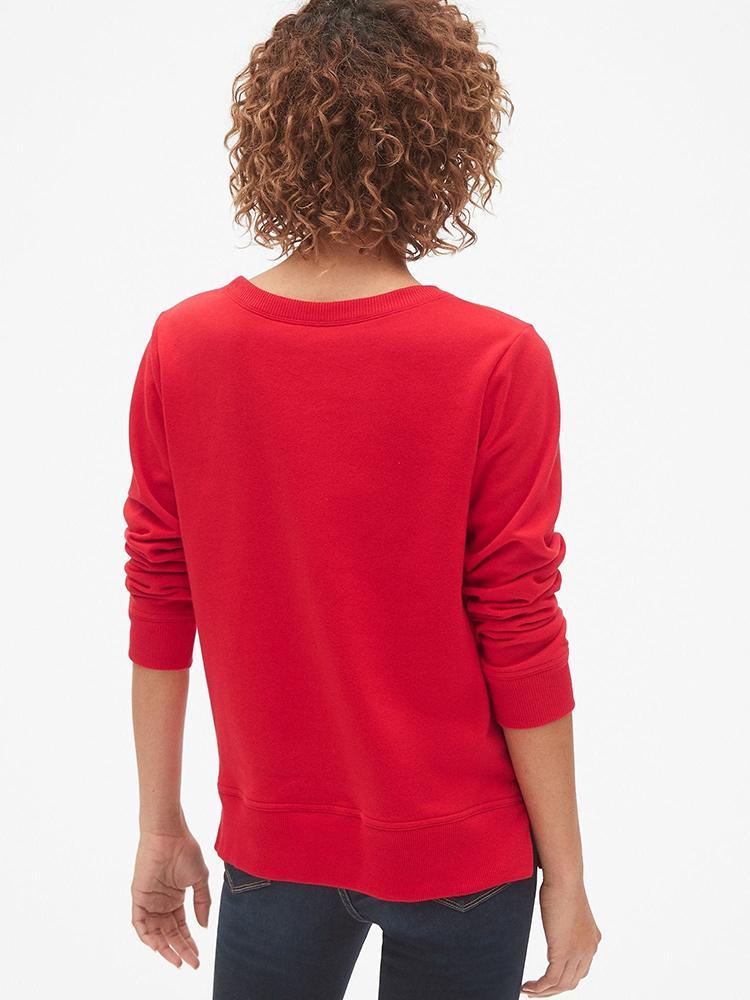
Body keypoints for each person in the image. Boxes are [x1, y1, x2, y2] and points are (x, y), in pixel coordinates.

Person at [123, 1, 601, 997]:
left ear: (272, 137)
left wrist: (159, 823)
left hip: (272, 842)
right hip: (465, 852)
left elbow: (162, 596)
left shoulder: (185, 345)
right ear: (446, 144)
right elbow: (519, 624)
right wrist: (566, 874)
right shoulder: (496, 358)